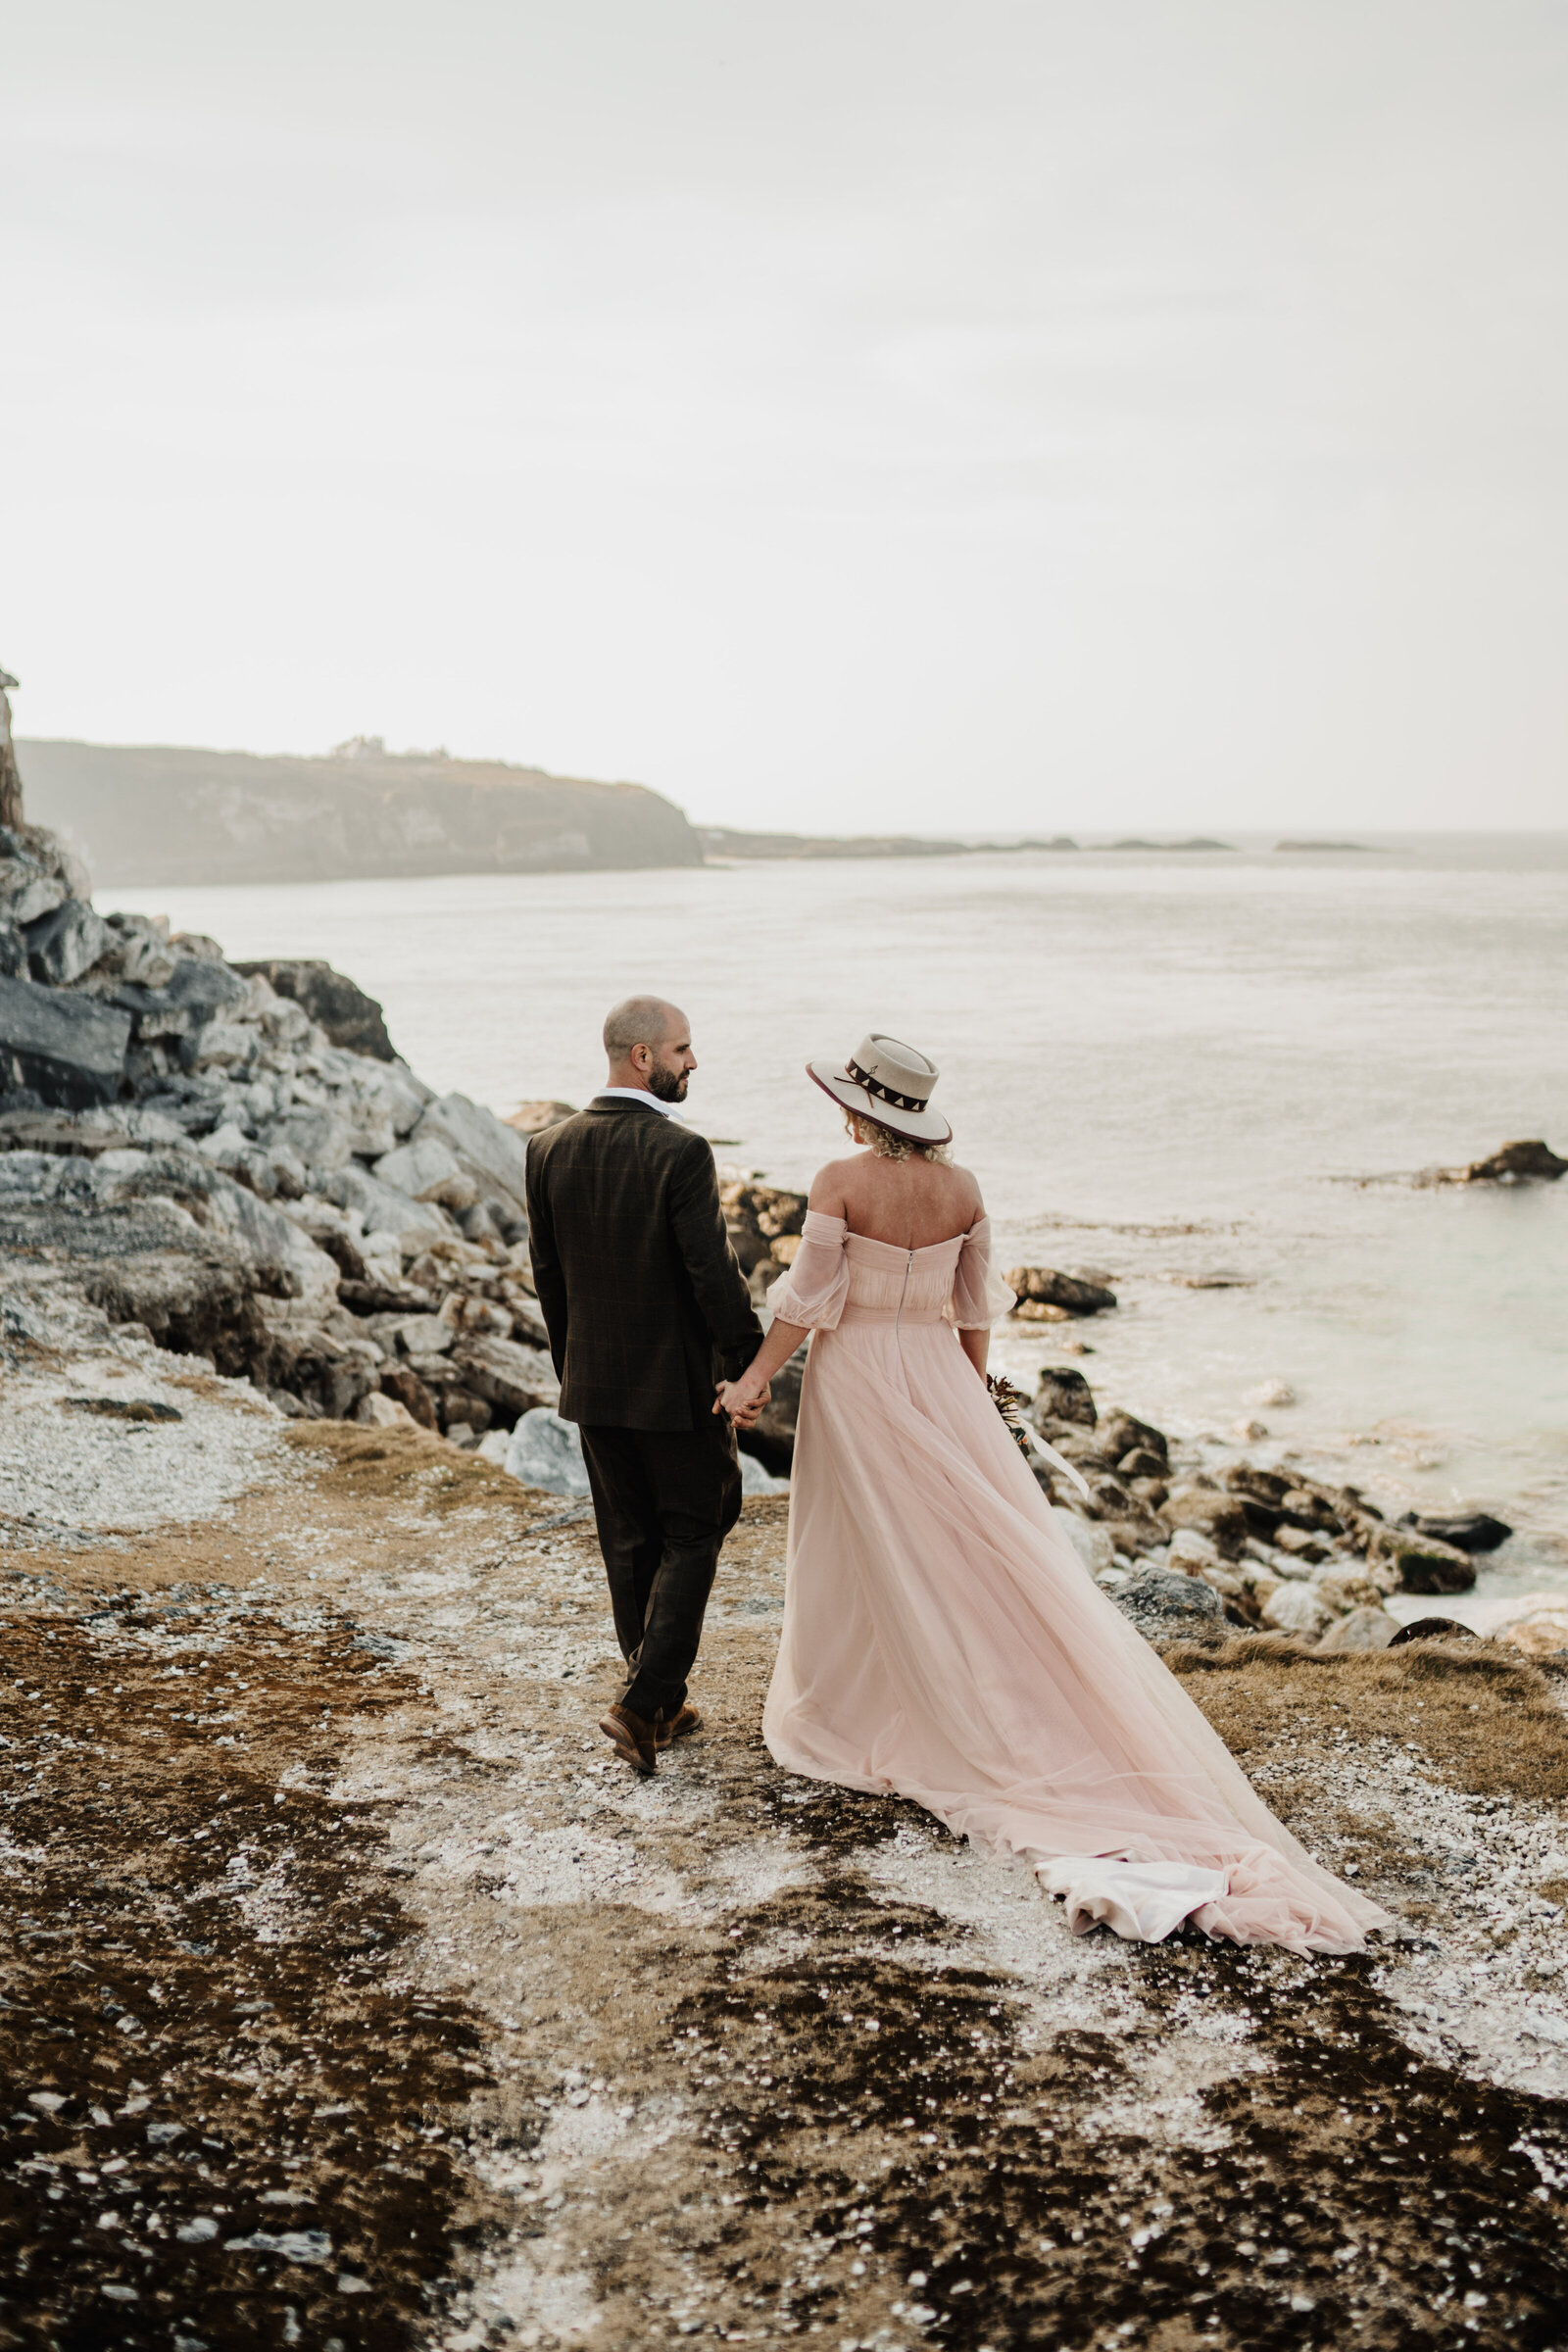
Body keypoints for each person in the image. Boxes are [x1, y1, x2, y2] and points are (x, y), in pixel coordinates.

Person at [715, 1033, 1391, 1955]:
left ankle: (865, 1702)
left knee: (856, 1542)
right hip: (939, 1378)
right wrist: (970, 1395)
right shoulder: (964, 1190)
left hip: (860, 1378)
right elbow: (976, 1308)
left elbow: (806, 1297)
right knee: (964, 1555)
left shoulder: (839, 1177)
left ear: (860, 1107)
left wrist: (753, 1381)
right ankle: (948, 1688)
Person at [525, 997, 766, 1776]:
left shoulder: (546, 1147)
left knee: (630, 1540)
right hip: (675, 1390)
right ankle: (642, 1699)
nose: (691, 1062)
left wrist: (577, 1372)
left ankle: (657, 1705)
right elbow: (712, 1275)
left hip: (595, 1383)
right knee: (699, 1525)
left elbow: (548, 1279)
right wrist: (748, 1360)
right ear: (641, 1058)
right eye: (682, 1049)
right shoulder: (682, 1153)